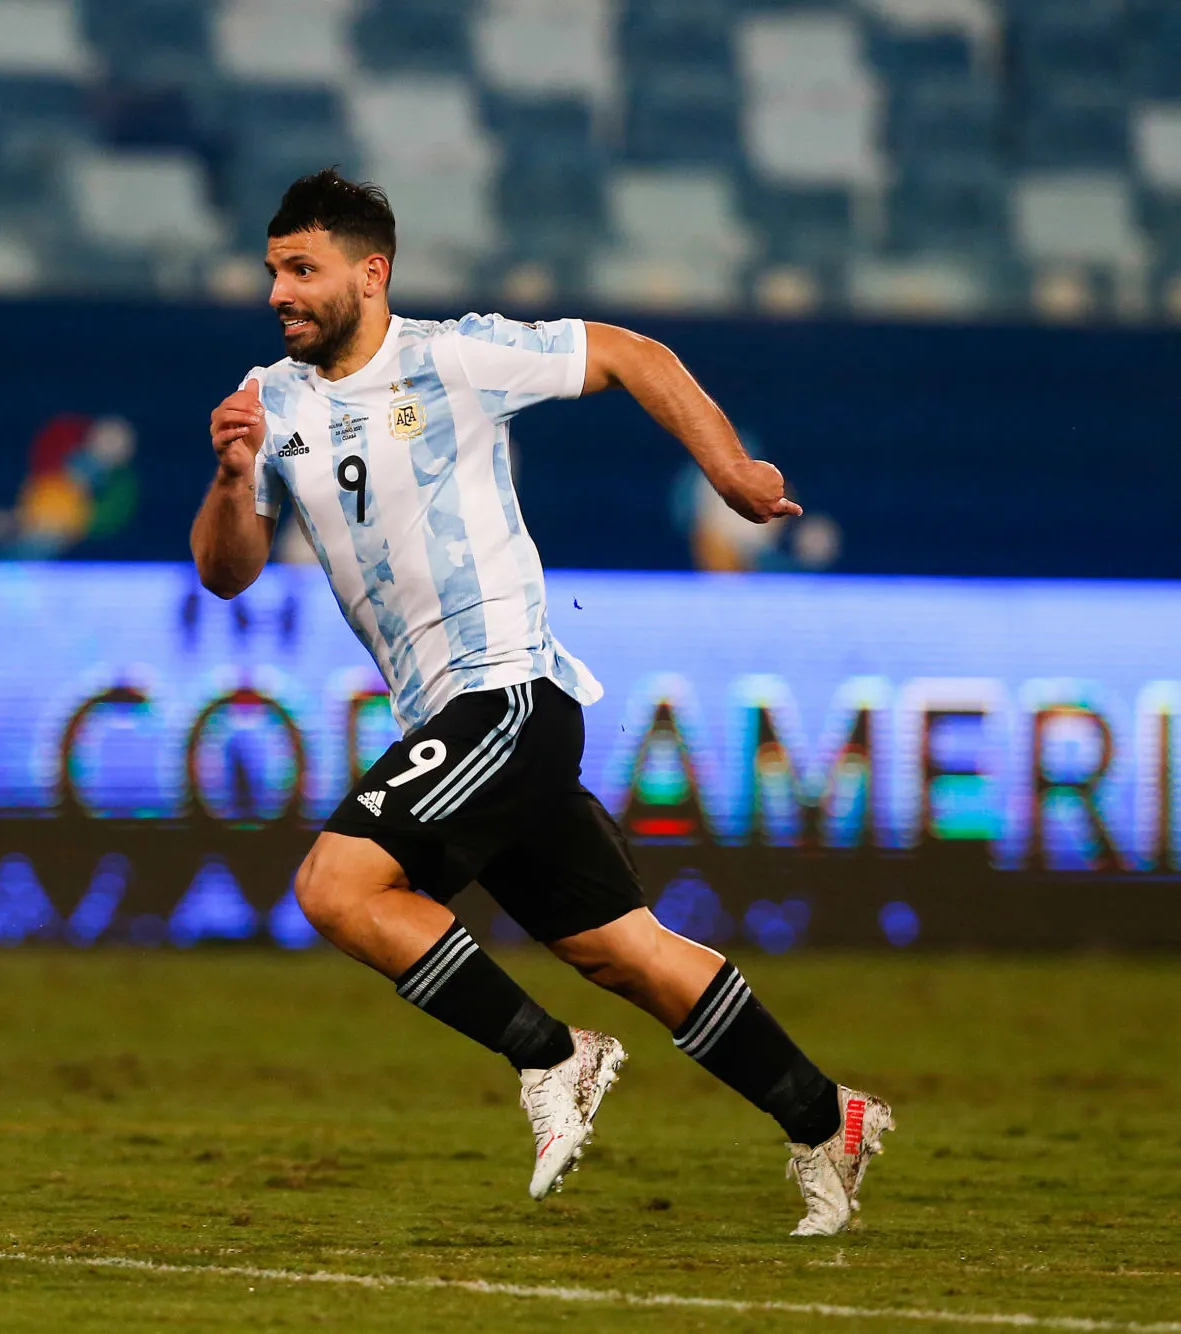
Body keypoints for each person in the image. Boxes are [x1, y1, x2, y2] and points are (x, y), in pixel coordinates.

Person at [188, 170, 891, 1237]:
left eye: (301, 269)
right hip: (447, 719)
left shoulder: (454, 356)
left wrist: (730, 469)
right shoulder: (268, 399)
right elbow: (226, 573)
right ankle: (826, 1116)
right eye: (273, 270)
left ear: (370, 274)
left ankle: (552, 1054)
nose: (278, 291)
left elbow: (631, 353)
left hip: (507, 691)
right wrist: (231, 477)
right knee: (624, 950)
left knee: (337, 885)